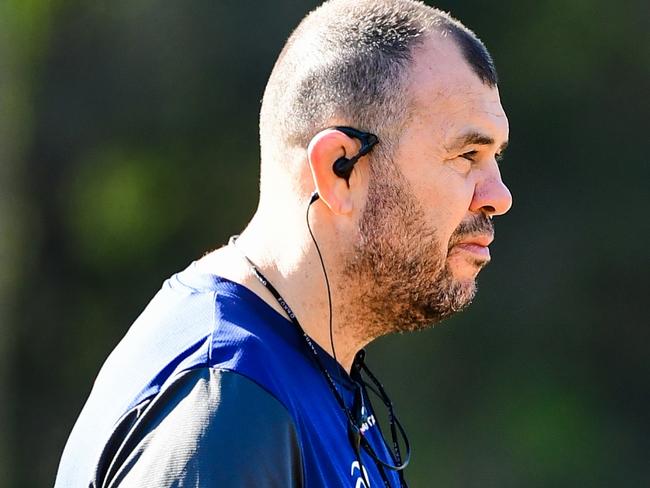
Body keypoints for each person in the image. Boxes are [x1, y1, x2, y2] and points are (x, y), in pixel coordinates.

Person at [55, 0, 512, 486]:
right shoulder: (226, 401)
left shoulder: (309, 370)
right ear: (340, 169)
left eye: (495, 158)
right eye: (467, 155)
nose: (499, 197)